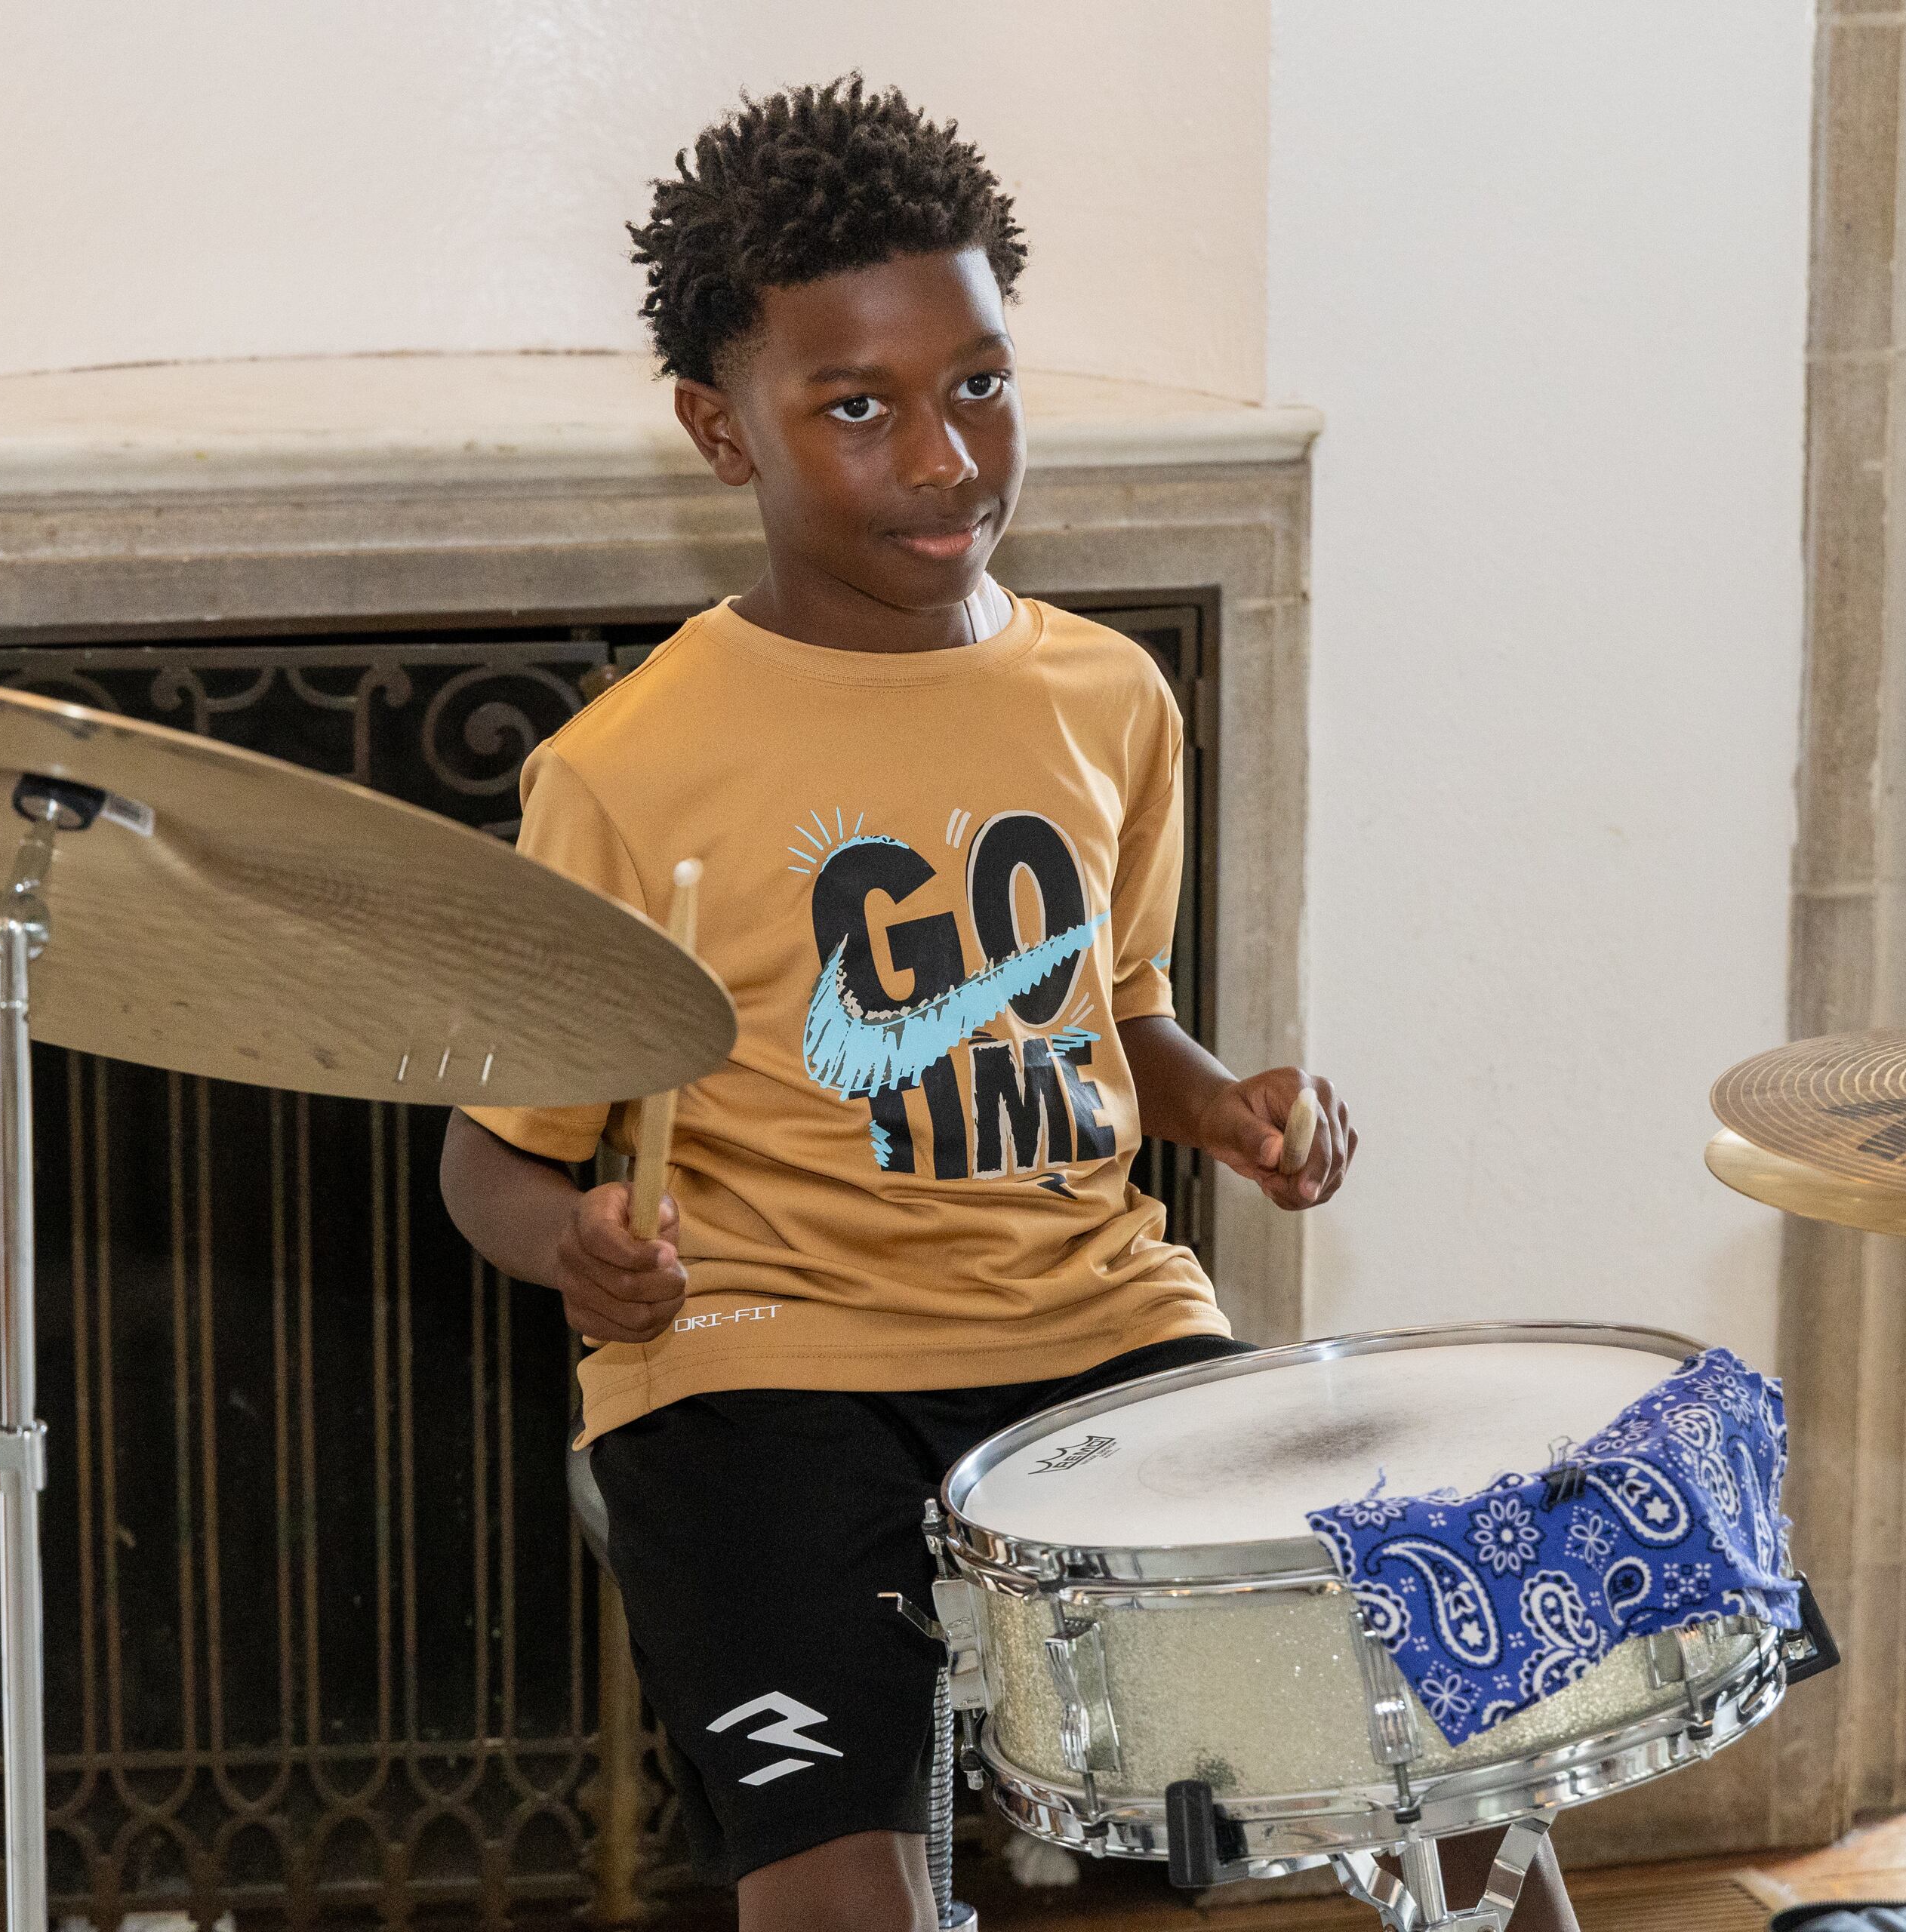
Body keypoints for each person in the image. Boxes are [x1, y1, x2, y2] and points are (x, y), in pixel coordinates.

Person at [439, 78, 1572, 1932]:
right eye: (860, 408)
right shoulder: (623, 771)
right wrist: (574, 1241)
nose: (949, 457)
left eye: (981, 382)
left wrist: (1218, 1102)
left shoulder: (1111, 696)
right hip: (759, 1353)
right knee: (835, 1871)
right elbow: (489, 1163)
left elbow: (1108, 1003)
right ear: (721, 430)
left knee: (1445, 1721)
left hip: (1094, 1317)